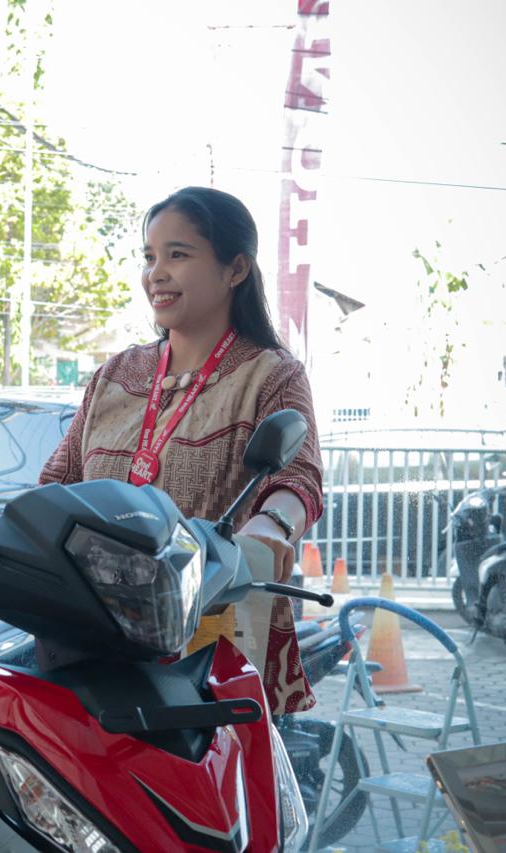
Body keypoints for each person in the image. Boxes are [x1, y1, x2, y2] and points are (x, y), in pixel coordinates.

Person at [39, 186, 323, 715]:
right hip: (90, 641)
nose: (156, 273)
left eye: (177, 255)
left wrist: (271, 525)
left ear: (235, 269)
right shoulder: (115, 375)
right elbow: (55, 485)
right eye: (149, 257)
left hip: (209, 654)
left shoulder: (272, 375)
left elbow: (298, 479)